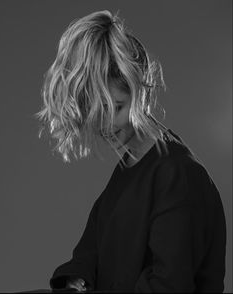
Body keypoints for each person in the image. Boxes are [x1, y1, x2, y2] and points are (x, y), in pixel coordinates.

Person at [35, 10, 227, 293]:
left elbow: (169, 284)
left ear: (139, 92)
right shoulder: (129, 168)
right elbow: (91, 253)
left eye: (118, 108)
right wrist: (79, 280)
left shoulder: (177, 175)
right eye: (96, 112)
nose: (107, 125)